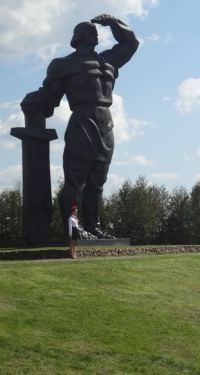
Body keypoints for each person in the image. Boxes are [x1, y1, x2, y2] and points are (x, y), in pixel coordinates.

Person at [21, 15, 139, 239]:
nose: (95, 32)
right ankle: (73, 227)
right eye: (89, 30)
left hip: (106, 122)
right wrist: (35, 100)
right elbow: (49, 96)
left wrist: (114, 23)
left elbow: (131, 44)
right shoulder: (64, 64)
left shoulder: (108, 61)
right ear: (78, 37)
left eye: (96, 30)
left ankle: (93, 225)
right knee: (76, 179)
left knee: (97, 180)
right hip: (82, 121)